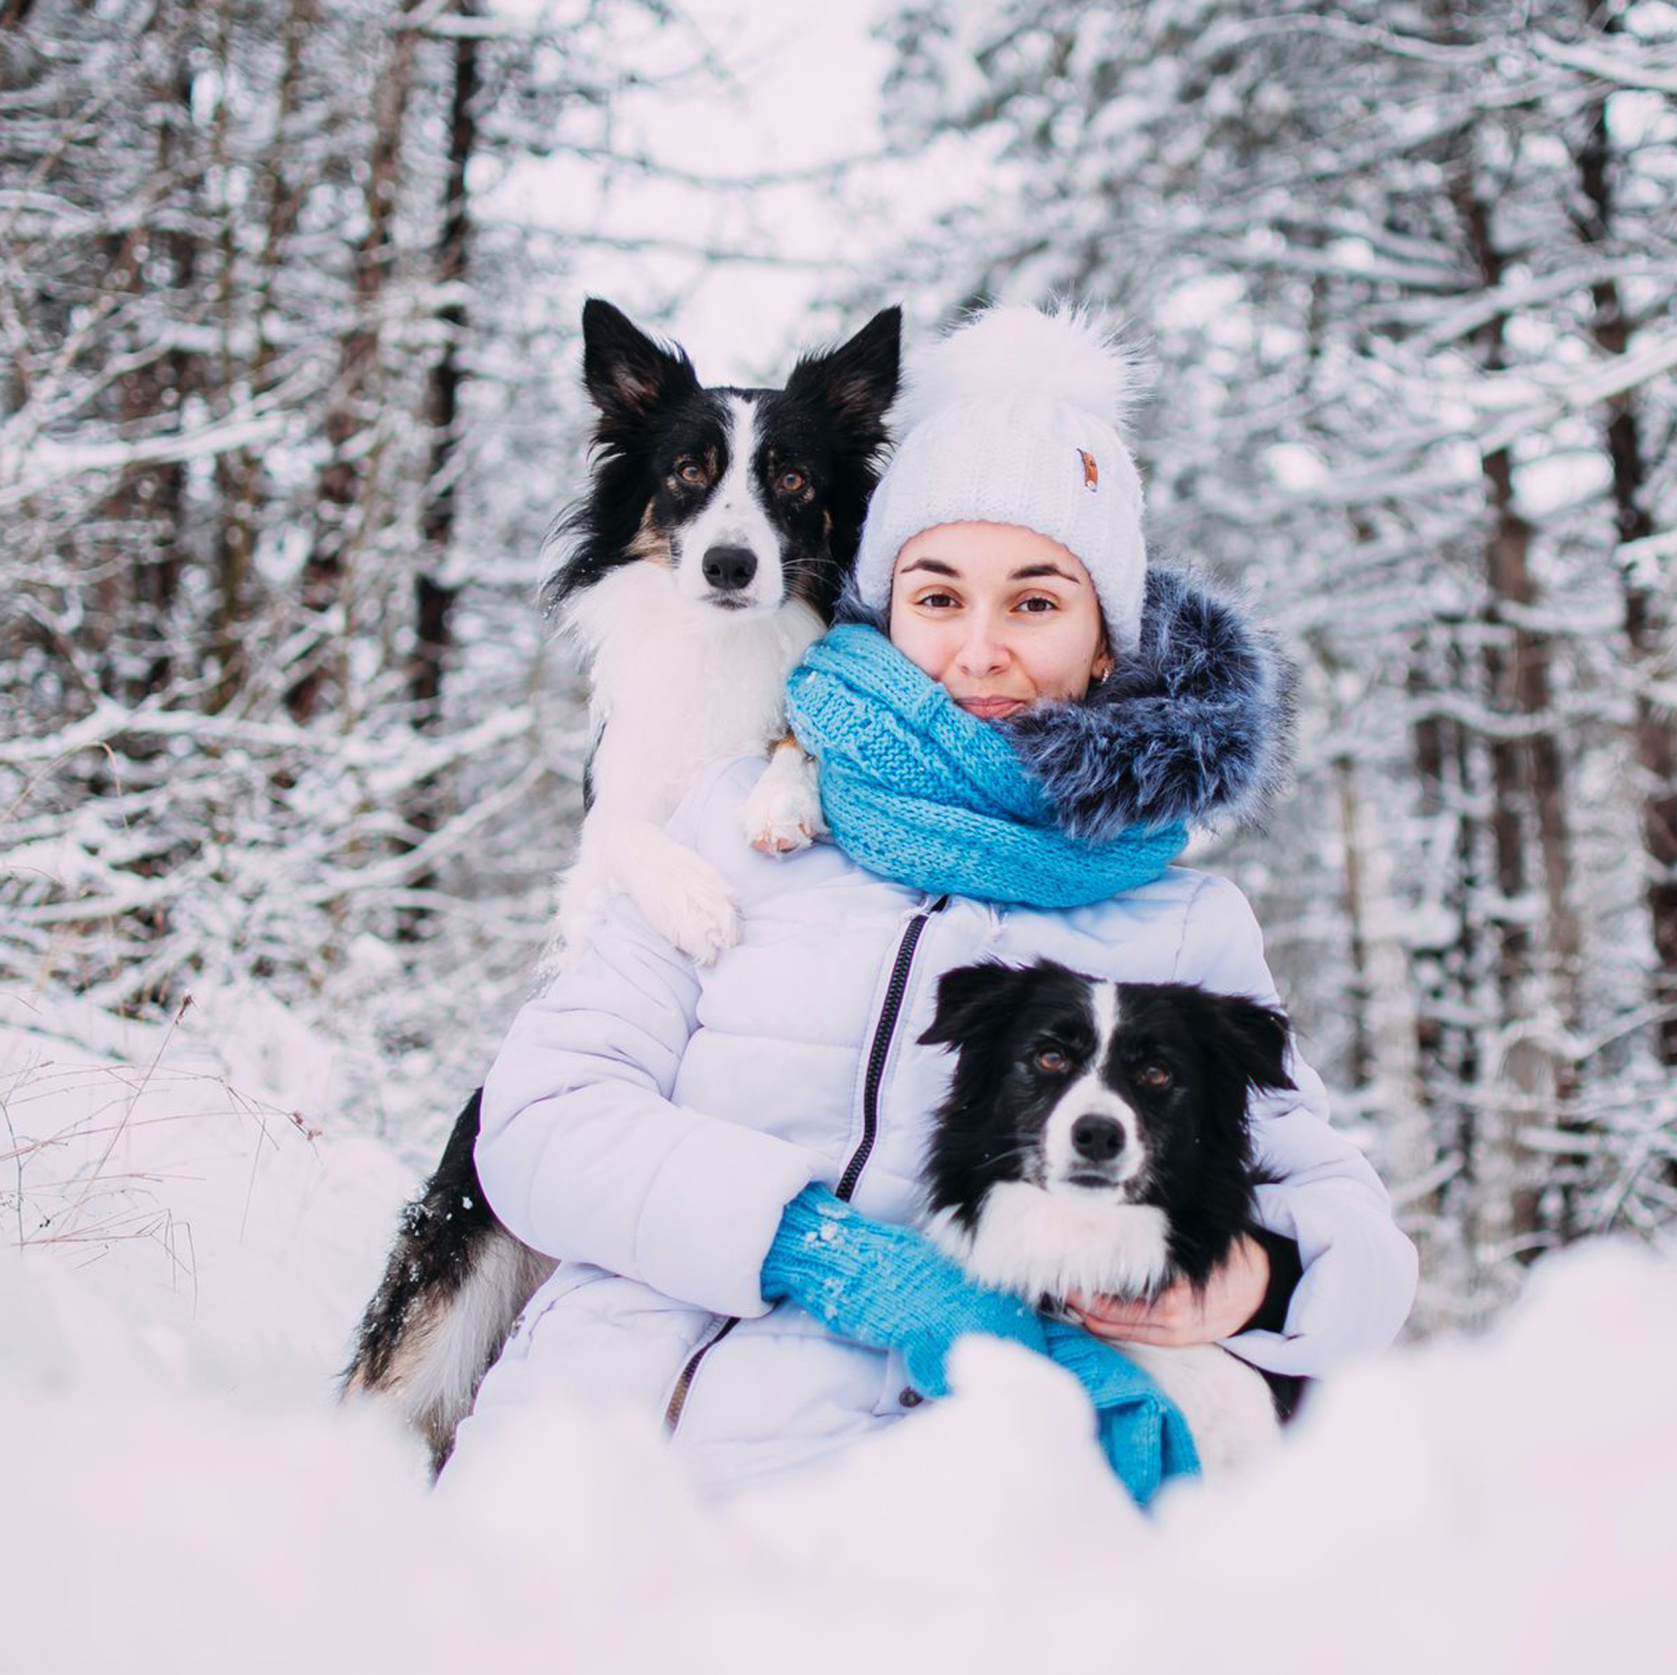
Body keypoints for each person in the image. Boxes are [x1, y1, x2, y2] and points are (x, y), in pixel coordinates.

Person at [452, 304, 1418, 1500]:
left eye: (1034, 601)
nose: (976, 651)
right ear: (881, 600)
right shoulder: (726, 824)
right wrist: (807, 1245)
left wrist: (1259, 1280)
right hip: (592, 1460)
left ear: (1104, 641)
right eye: (938, 594)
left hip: (928, 1501)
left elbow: (1355, 1243)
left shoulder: (1180, 926)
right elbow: (539, 1122)